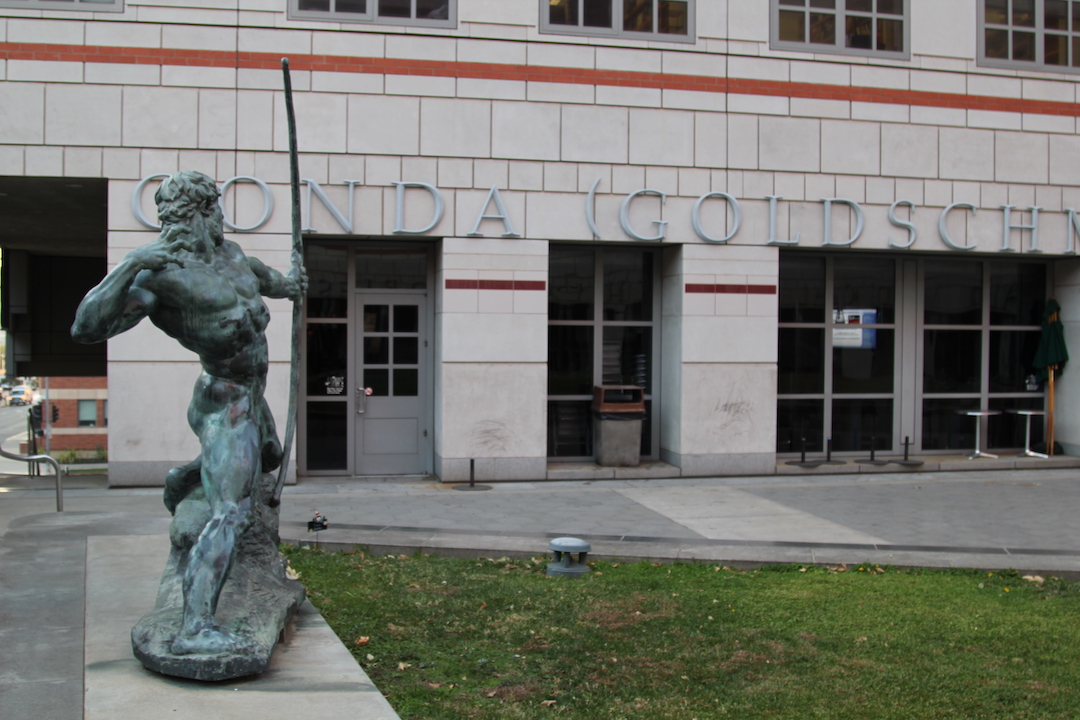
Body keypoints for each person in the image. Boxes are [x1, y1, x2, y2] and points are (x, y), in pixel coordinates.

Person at [71, 171, 305, 656]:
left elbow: (268, 281)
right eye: (214, 208)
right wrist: (129, 263)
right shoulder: (159, 274)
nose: (221, 216)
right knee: (230, 513)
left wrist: (291, 283)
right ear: (198, 212)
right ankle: (194, 628)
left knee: (270, 458)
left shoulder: (232, 256)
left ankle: (190, 475)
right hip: (224, 402)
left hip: (253, 397)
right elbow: (85, 328)